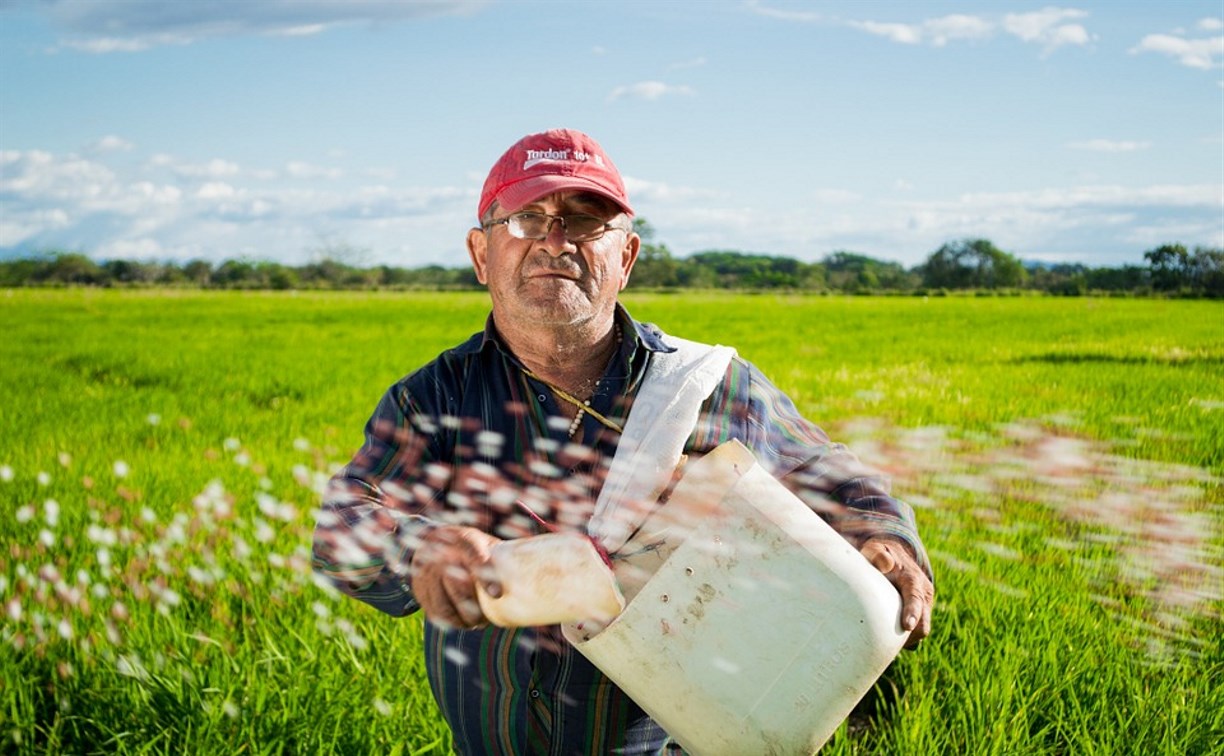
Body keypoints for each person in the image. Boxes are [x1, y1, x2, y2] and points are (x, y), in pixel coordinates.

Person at [312, 128, 934, 755]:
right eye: (528, 219)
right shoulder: (437, 397)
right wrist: (420, 550)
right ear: (481, 255)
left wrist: (884, 537)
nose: (557, 241)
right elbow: (342, 523)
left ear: (626, 257)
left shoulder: (701, 386)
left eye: (585, 222)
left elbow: (825, 471)